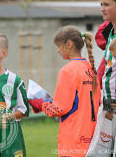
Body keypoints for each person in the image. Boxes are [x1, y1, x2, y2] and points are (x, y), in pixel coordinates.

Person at [32, 26, 101, 157]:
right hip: (92, 136)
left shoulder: (68, 70)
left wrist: (41, 104)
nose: (57, 50)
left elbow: (59, 108)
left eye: (58, 46)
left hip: (73, 138)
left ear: (68, 44)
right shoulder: (91, 68)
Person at [0, 33, 29, 157]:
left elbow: (24, 110)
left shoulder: (14, 80)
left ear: (3, 54)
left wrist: (6, 117)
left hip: (10, 136)